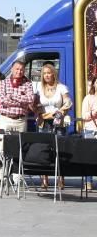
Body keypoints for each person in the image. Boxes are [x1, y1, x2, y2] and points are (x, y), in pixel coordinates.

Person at [34, 62, 72, 190]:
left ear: (53, 74)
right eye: (44, 73)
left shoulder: (62, 87)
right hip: (44, 122)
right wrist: (37, 109)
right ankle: (44, 180)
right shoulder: (39, 88)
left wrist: (60, 111)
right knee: (43, 150)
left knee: (59, 150)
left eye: (49, 73)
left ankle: (61, 179)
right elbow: (36, 104)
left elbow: (68, 102)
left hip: (58, 122)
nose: (47, 75)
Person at [80, 77, 97, 190]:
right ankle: (88, 182)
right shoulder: (88, 98)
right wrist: (93, 113)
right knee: (89, 157)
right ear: (94, 84)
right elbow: (84, 117)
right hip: (91, 130)